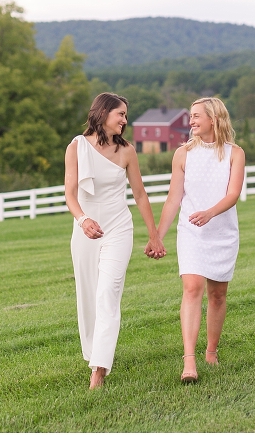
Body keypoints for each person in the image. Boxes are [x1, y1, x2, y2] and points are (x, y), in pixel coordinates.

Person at [64, 92, 166, 390]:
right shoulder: (76, 147)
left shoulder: (127, 151)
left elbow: (140, 195)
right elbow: (70, 193)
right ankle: (93, 352)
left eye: (125, 114)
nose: (125, 119)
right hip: (85, 229)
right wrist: (83, 220)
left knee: (108, 293)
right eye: (120, 113)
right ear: (102, 113)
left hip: (118, 229)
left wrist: (154, 235)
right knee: (88, 295)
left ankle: (99, 368)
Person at [156, 97, 245, 383]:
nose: (191, 121)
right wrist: (157, 236)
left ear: (214, 119)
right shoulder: (182, 154)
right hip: (191, 231)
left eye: (196, 116)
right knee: (192, 288)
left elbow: (233, 194)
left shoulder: (235, 154)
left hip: (222, 232)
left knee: (217, 295)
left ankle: (211, 351)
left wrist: (209, 213)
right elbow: (173, 199)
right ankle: (189, 361)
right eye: (191, 116)